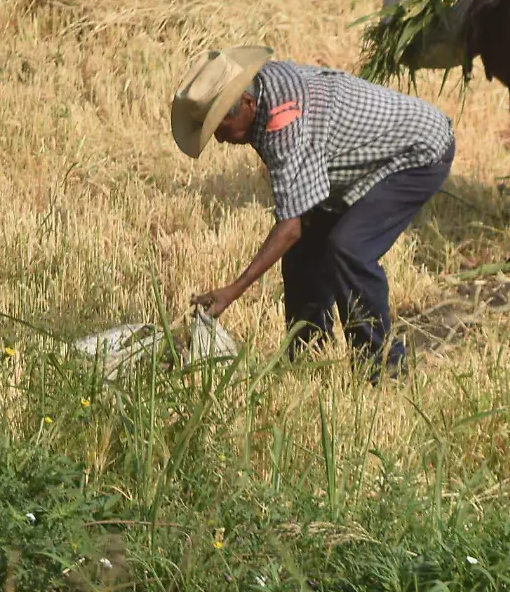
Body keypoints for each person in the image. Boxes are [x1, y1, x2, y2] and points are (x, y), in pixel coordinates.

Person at [171, 45, 454, 375]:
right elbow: (298, 217)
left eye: (221, 127)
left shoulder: (284, 120)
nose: (219, 140)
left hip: (417, 154)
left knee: (349, 248)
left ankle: (382, 366)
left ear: (247, 104)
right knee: (303, 251)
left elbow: (289, 225)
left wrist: (234, 289)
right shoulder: (259, 88)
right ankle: (306, 353)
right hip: (353, 164)